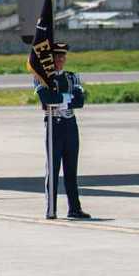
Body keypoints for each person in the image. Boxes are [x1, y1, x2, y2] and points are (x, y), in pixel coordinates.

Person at [36, 41, 90, 220]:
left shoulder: (72, 77)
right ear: (50, 59)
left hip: (70, 125)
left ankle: (74, 208)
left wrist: (60, 99)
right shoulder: (42, 77)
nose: (60, 59)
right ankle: (51, 208)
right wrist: (67, 97)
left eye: (62, 56)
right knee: (53, 168)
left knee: (71, 169)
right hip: (54, 125)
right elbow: (46, 99)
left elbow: (80, 101)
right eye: (56, 56)